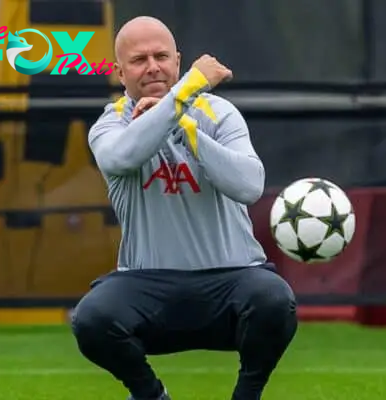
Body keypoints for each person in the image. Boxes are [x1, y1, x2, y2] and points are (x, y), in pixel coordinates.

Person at [70, 16, 298, 400]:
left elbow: (248, 186)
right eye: (139, 59)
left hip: (231, 279)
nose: (153, 66)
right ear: (118, 71)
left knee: (274, 300)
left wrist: (187, 130)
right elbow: (121, 158)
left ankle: (248, 395)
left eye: (161, 56)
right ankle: (150, 395)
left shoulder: (219, 113)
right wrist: (182, 99)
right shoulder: (111, 124)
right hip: (149, 287)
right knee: (92, 319)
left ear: (177, 62)